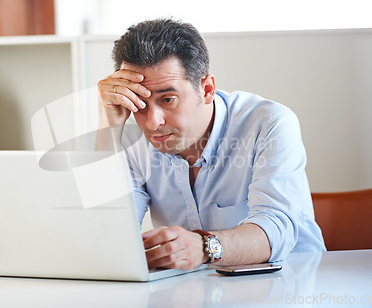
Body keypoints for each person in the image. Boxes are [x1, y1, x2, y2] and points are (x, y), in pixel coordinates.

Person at [96, 18, 326, 270]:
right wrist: (108, 126)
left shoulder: (268, 123)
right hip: (195, 291)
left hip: (292, 285)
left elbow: (276, 229)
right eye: (139, 103)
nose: (152, 123)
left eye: (168, 99)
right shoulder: (135, 142)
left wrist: (204, 247)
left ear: (206, 89)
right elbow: (106, 234)